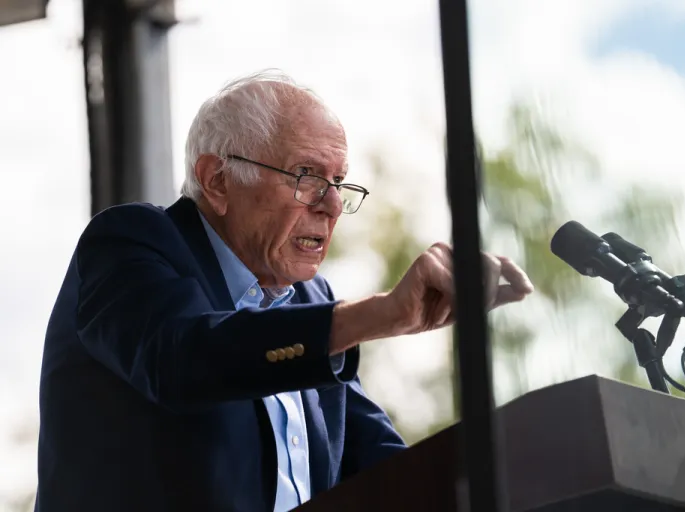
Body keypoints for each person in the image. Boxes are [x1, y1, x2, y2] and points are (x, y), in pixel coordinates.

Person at [35, 71, 534, 512]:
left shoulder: (309, 302)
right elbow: (183, 356)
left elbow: (388, 472)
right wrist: (381, 314)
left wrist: (529, 467)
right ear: (217, 180)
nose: (333, 205)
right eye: (306, 175)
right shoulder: (130, 243)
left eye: (339, 181)